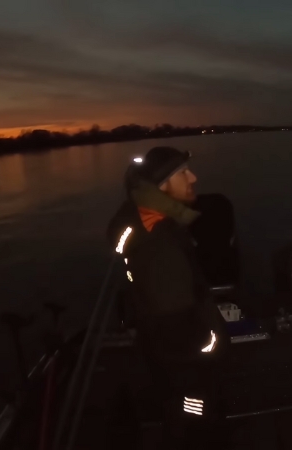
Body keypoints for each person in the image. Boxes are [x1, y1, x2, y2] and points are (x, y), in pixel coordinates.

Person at [106, 146, 226, 449]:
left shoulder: (142, 215)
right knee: (194, 407)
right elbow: (177, 323)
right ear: (162, 186)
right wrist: (210, 343)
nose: (193, 177)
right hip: (185, 356)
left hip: (155, 340)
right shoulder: (160, 246)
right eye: (182, 173)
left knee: (173, 397)